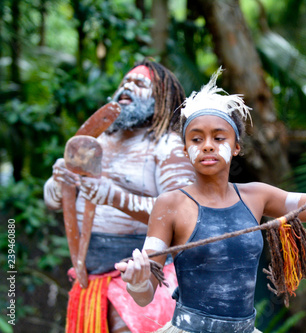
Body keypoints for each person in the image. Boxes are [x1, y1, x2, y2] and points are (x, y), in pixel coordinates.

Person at [115, 69, 306, 333]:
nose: (207, 146)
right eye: (196, 139)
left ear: (236, 146)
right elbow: (143, 296)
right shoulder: (169, 204)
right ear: (185, 149)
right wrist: (138, 280)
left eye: (218, 138)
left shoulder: (257, 196)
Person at [43, 59, 196, 333]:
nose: (126, 87)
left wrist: (115, 197)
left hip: (144, 280)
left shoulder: (167, 145)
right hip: (89, 279)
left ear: (162, 98)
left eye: (139, 83)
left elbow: (184, 214)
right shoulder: (98, 140)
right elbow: (54, 202)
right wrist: (58, 185)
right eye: (124, 82)